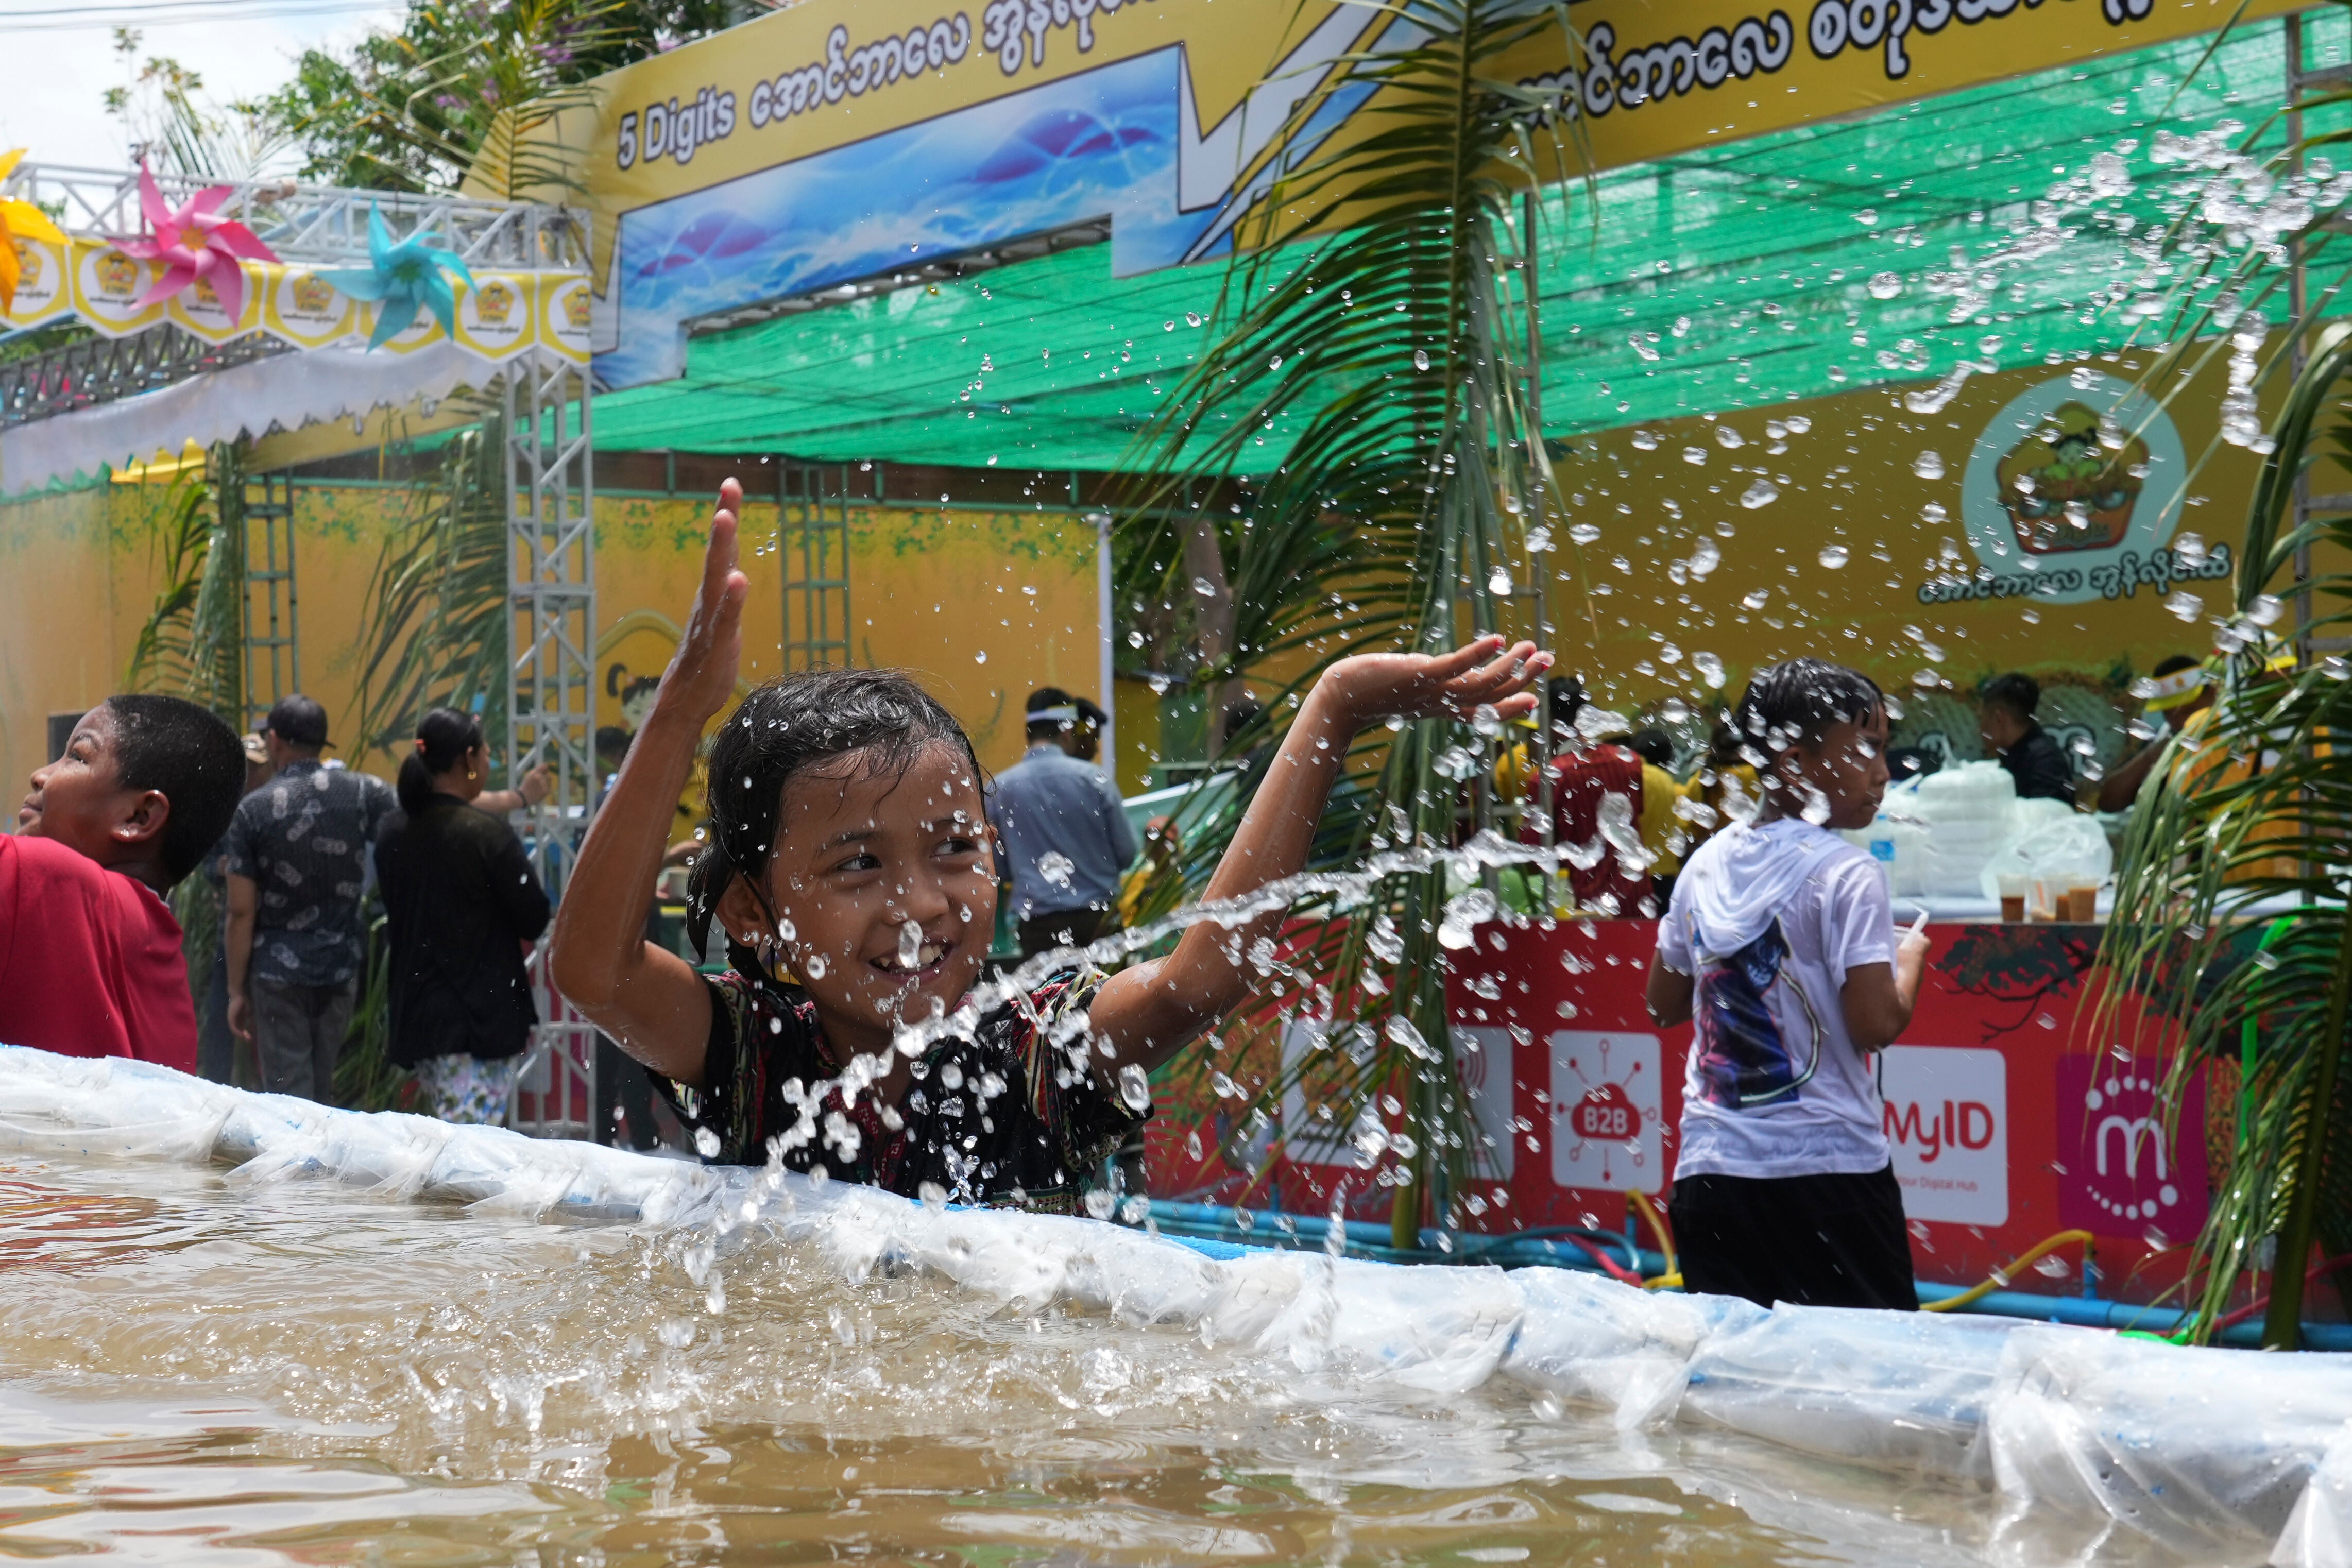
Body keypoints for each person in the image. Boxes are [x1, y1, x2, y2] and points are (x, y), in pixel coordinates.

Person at [546, 478, 1549, 1212]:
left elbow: (1198, 979)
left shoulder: (1033, 1050)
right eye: (860, 864)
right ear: (753, 916)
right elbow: (592, 969)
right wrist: (677, 714)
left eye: (953, 850)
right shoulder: (746, 1054)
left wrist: (1332, 707)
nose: (923, 900)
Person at [1644, 659, 1930, 1311]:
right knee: (1869, 1382)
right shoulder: (1847, 872)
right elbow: (1874, 1024)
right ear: (1795, 762)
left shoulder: (1704, 862)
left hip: (1713, 1174)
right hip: (1831, 1179)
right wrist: (1908, 961)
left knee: (1733, 1393)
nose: (1883, 772)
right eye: (1866, 749)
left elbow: (1663, 1004)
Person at [3, 695, 245, 1070]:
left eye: (78, 757)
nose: (42, 774)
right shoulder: (166, 974)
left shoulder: (41, 880)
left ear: (139, 816)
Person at [373, 708, 553, 1125]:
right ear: (469, 760)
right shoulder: (485, 834)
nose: (489, 764)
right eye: (487, 754)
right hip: (477, 1022)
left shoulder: (393, 831)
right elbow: (534, 917)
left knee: (449, 1139)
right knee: (469, 1154)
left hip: (420, 1018)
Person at [222, 694, 397, 1104]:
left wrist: (236, 990)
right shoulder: (362, 792)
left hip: (277, 975)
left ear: (275, 741)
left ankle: (299, 1169)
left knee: (289, 1097)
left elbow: (241, 910)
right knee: (323, 1091)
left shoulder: (253, 811)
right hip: (340, 968)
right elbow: (408, 827)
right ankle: (321, 1167)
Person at [987, 686, 1140, 959]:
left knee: (1051, 1001)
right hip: (1099, 922)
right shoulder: (1095, 780)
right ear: (1068, 732)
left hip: (1038, 929)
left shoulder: (1000, 789)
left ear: (1028, 733)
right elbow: (1127, 854)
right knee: (1108, 999)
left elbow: (997, 868)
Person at [1518, 678, 1680, 916]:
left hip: (1586, 909)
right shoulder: (1629, 762)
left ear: (1548, 722)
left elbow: (1532, 860)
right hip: (1639, 902)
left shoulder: (1549, 777)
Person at [195, 731, 279, 1085]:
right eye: (243, 769)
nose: (250, 776)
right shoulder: (223, 814)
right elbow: (209, 866)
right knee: (220, 1019)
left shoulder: (275, 810)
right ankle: (212, 1085)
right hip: (231, 934)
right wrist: (225, 870)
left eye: (255, 769)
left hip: (271, 935)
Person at [2095, 655, 2213, 813]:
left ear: (2213, 694)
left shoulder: (2236, 735)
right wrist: (2151, 757)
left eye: (2189, 711)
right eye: (2170, 714)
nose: (2181, 722)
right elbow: (2108, 804)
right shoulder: (2163, 740)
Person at [1979, 672, 2074, 804]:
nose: (1980, 729)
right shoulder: (2013, 754)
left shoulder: (2045, 761)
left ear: (1999, 719)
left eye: (1981, 719)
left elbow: (2046, 819)